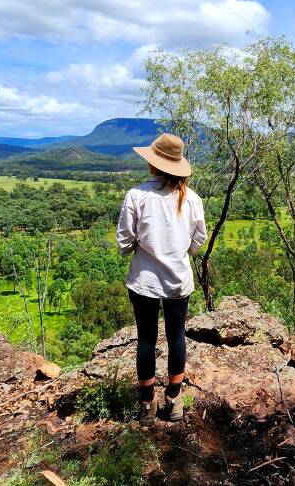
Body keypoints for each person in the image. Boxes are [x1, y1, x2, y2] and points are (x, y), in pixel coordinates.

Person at [117, 133, 206, 423]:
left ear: (154, 164)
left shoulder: (137, 196)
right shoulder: (192, 199)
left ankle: (147, 405)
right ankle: (174, 399)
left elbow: (124, 242)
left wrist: (143, 247)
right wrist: (178, 252)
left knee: (146, 339)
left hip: (144, 281)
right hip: (179, 281)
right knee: (176, 336)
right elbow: (198, 240)